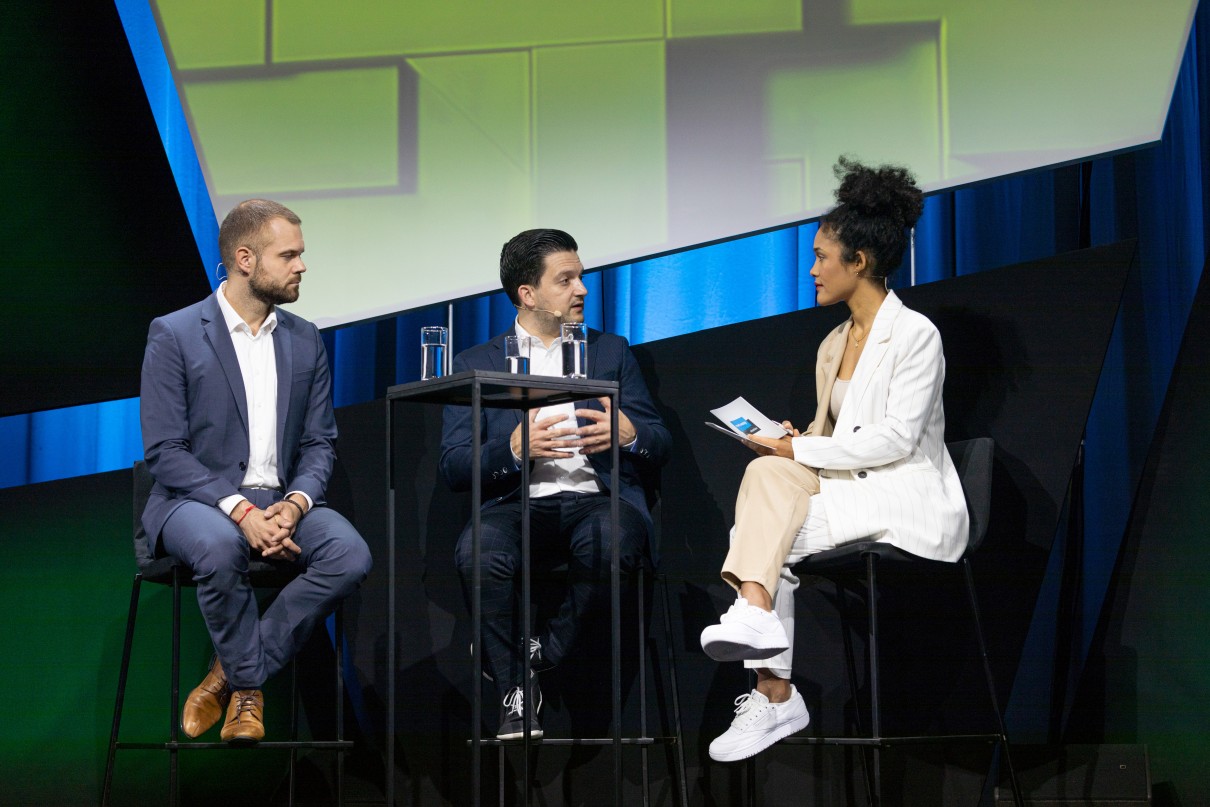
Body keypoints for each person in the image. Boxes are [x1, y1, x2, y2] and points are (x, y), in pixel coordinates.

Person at [698, 158, 970, 762]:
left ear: (860, 262)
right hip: (847, 488)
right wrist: (791, 439)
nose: (813, 268)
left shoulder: (916, 334)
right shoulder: (831, 344)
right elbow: (832, 437)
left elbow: (896, 438)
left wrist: (800, 447)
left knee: (768, 538)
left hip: (904, 494)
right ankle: (765, 650)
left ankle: (771, 685)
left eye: (823, 256)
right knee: (765, 473)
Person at [140, 199, 373, 743]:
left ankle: (231, 673)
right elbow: (165, 451)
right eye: (288, 255)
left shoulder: (304, 336)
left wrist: (293, 505)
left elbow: (319, 443)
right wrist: (241, 510)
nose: (301, 266)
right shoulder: (174, 333)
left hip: (281, 499)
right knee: (221, 549)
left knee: (350, 554)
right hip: (192, 502)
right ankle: (249, 693)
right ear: (245, 259)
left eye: (301, 254)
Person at [440, 229, 671, 740]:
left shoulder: (610, 352)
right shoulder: (477, 364)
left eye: (581, 277)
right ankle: (513, 692)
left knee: (611, 540)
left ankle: (540, 652)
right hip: (515, 503)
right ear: (528, 294)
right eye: (565, 280)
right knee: (478, 551)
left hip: (597, 499)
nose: (582, 289)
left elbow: (660, 440)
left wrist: (630, 435)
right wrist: (514, 450)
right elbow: (455, 467)